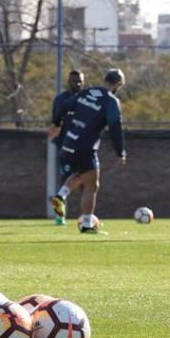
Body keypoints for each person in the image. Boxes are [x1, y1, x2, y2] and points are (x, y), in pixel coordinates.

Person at [47, 69, 126, 234]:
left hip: (69, 142)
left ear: (105, 80)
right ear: (118, 84)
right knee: (92, 185)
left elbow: (66, 105)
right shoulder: (111, 101)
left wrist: (56, 124)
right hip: (85, 146)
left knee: (81, 175)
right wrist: (120, 152)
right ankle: (87, 224)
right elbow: (115, 128)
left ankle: (60, 196)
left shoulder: (87, 92)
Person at [49, 70, 84, 225]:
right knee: (65, 180)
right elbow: (55, 122)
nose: (77, 84)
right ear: (68, 81)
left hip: (83, 146)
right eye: (74, 81)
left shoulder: (87, 99)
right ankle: (59, 215)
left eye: (80, 81)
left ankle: (86, 217)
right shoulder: (61, 100)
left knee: (86, 181)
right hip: (65, 146)